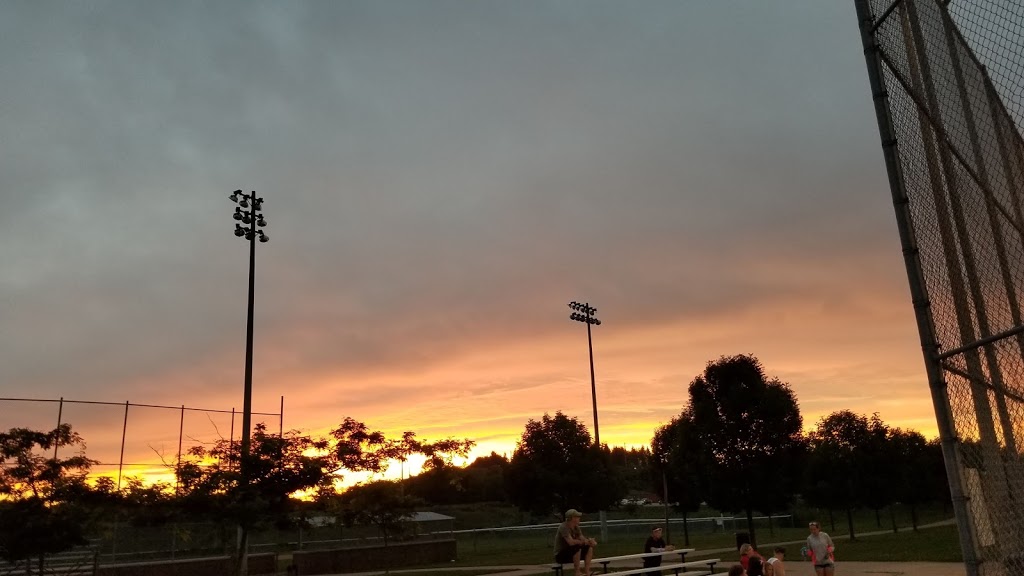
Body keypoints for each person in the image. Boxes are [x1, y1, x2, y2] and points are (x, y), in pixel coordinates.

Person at [554, 509, 598, 576]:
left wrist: (590, 541)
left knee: (589, 548)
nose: (579, 518)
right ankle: (577, 572)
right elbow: (571, 542)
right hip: (560, 555)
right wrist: (582, 542)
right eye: (577, 517)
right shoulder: (564, 527)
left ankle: (587, 571)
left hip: (571, 553)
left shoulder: (576, 527)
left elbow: (582, 538)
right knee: (577, 548)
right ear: (572, 518)